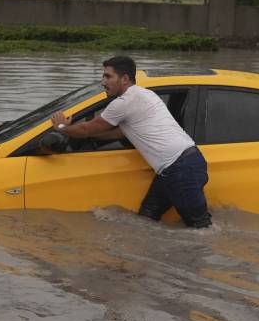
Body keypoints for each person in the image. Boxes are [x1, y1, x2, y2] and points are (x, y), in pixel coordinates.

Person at [50, 55, 212, 228]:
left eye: (108, 76)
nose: (103, 82)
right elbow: (121, 133)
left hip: (179, 169)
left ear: (125, 79)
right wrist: (94, 136)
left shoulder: (123, 103)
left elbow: (86, 129)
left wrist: (61, 127)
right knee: (146, 219)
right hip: (178, 166)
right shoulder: (145, 93)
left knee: (200, 229)